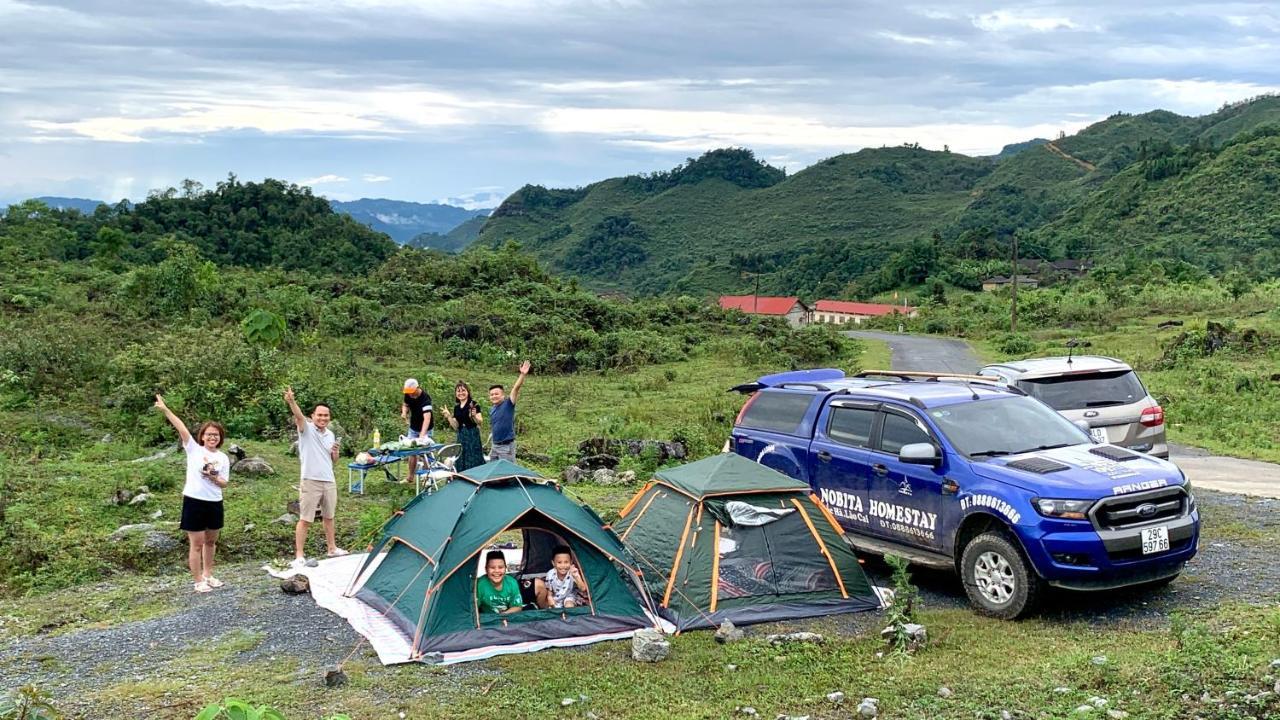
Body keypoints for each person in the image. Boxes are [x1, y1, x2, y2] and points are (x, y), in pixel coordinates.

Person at [155, 394, 230, 594]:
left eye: (216, 435)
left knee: (211, 541)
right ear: (202, 436)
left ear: (220, 438)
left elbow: (224, 483)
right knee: (196, 543)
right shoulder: (193, 449)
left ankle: (208, 574)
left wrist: (213, 476)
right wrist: (165, 409)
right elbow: (181, 428)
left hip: (214, 502)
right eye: (209, 434)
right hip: (194, 501)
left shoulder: (223, 457)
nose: (212, 437)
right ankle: (197, 580)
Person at [284, 386, 347, 568]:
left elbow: (333, 460)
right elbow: (298, 416)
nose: (322, 418)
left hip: (329, 479)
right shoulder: (307, 429)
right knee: (306, 518)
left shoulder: (331, 434)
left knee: (329, 516)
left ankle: (332, 548)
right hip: (310, 479)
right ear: (313, 416)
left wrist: (335, 452)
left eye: (326, 415)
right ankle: (299, 554)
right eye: (319, 415)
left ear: (330, 418)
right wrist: (291, 401)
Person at [487, 360, 530, 462]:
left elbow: (516, 389)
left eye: (496, 394)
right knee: (494, 472)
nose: (494, 396)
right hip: (495, 445)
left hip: (506, 446)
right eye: (491, 394)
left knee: (507, 473)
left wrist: (522, 374)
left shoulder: (508, 404)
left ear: (503, 395)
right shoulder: (492, 409)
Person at [442, 381, 485, 472]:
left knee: (473, 456)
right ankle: (462, 478)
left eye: (463, 390)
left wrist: (473, 416)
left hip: (472, 434)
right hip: (461, 435)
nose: (461, 393)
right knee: (461, 457)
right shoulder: (456, 408)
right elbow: (456, 426)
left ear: (468, 392)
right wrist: (449, 416)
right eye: (458, 391)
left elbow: (480, 422)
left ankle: (476, 478)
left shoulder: (473, 404)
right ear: (455, 393)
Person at [401, 378, 433, 483]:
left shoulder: (425, 399)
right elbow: (405, 404)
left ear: (417, 388)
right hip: (413, 427)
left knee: (425, 453)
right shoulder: (408, 394)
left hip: (426, 429)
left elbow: (427, 419)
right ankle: (410, 477)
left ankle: (427, 478)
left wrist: (422, 436)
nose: (410, 395)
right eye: (408, 393)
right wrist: (404, 412)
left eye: (412, 392)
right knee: (412, 452)